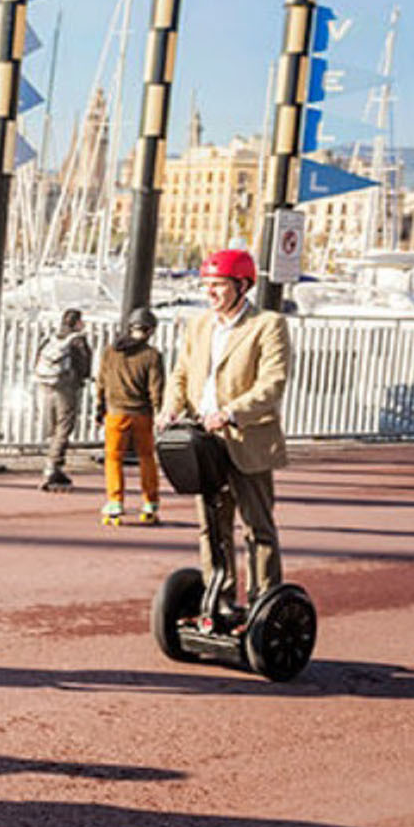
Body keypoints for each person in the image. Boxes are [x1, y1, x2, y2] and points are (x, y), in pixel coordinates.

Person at [158, 249, 291, 618]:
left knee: (257, 527)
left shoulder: (268, 324)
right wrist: (171, 407)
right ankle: (220, 600)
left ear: (242, 285)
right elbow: (181, 375)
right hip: (204, 441)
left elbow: (273, 383)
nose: (210, 292)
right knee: (211, 527)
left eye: (218, 285)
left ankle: (265, 605)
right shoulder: (200, 325)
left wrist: (232, 413)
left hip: (247, 439)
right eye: (207, 285)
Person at [95, 307, 165, 524]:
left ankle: (115, 502)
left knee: (113, 458)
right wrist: (160, 411)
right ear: (150, 330)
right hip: (142, 414)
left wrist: (99, 407)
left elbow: (101, 382)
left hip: (115, 412)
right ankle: (150, 503)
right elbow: (156, 388)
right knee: (146, 458)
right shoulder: (152, 355)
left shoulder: (110, 351)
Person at [35, 308, 92, 491]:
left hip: (46, 384)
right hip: (66, 387)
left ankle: (54, 463)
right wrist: (81, 378)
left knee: (52, 425)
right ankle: (53, 466)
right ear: (77, 323)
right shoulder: (77, 340)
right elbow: (84, 364)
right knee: (64, 426)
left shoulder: (51, 338)